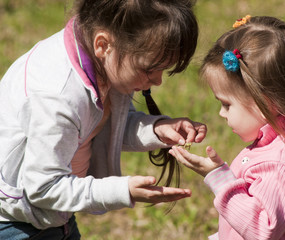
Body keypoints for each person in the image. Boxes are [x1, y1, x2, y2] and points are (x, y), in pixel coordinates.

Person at [0, 0, 206, 239]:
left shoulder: (102, 59)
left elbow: (98, 124)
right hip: (18, 225)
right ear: (103, 44)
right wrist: (122, 190)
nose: (158, 80)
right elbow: (44, 187)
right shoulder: (58, 95)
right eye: (150, 69)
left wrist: (157, 129)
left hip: (52, 214)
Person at [170, 15, 285, 240]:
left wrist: (216, 177)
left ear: (266, 102)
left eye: (226, 104)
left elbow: (263, 229)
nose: (221, 113)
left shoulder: (279, 164)